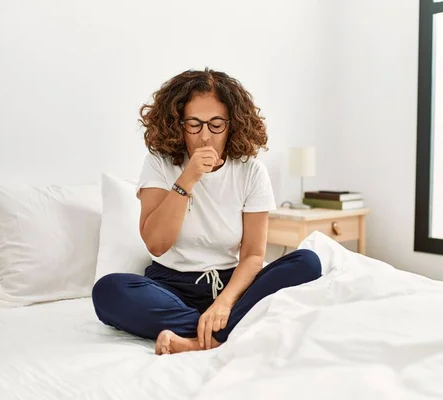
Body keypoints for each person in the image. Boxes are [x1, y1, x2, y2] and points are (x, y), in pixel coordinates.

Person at [91, 68, 322, 355]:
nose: (204, 137)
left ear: (232, 125)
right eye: (194, 125)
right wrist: (187, 178)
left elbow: (252, 255)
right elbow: (156, 244)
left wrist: (224, 303)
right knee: (108, 291)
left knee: (308, 263)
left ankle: (202, 339)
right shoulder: (160, 164)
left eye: (216, 125)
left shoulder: (251, 171)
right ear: (178, 124)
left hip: (231, 286)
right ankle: (228, 332)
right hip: (171, 287)